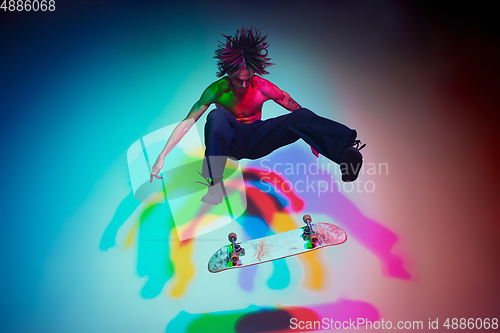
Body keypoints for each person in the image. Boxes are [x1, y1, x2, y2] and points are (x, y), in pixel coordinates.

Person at [150, 27, 365, 205]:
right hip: (233, 142)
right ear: (229, 72)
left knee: (301, 116)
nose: (244, 84)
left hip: (259, 137)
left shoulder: (263, 86)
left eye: (248, 78)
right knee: (216, 117)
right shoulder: (217, 90)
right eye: (238, 79)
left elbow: (294, 108)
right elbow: (187, 124)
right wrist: (162, 156)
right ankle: (215, 187)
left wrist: (313, 137)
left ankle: (346, 152)